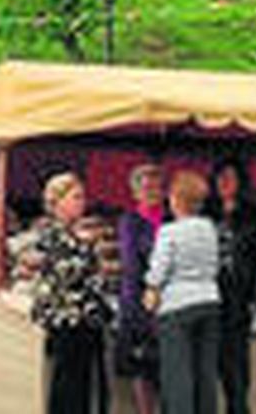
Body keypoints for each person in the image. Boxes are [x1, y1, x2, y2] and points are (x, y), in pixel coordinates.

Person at [30, 173, 111, 414]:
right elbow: (66, 274)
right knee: (67, 389)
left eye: (83, 197)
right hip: (67, 323)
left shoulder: (77, 235)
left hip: (86, 323)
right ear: (57, 202)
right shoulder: (52, 235)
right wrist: (89, 252)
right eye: (76, 197)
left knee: (83, 389)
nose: (82, 202)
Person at [144, 170, 220, 414]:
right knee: (205, 374)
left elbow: (159, 269)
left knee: (178, 377)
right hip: (209, 302)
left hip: (177, 308)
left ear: (176, 199)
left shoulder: (169, 231)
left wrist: (151, 288)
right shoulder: (209, 228)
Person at [204, 157, 256, 414]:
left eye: (230, 178)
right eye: (220, 178)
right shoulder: (206, 213)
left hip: (240, 295)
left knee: (238, 361)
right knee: (215, 360)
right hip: (210, 294)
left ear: (240, 181)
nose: (224, 183)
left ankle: (239, 407)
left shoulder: (252, 213)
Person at [114, 164, 162, 414]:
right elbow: (131, 265)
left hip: (167, 305)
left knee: (165, 370)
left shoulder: (171, 218)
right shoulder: (130, 222)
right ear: (135, 193)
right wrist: (140, 309)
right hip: (138, 301)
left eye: (156, 187)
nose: (152, 192)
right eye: (146, 187)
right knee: (142, 369)